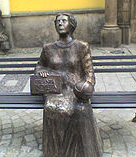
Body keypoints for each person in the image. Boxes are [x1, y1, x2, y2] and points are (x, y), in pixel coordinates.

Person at [35, 13, 103, 157]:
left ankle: (83, 151)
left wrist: (87, 86)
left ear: (71, 24)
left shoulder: (82, 46)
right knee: (51, 108)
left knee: (80, 109)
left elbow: (89, 73)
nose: (60, 23)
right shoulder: (48, 48)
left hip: (76, 89)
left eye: (64, 21)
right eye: (57, 21)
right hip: (55, 90)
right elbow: (38, 67)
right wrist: (43, 71)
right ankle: (54, 152)